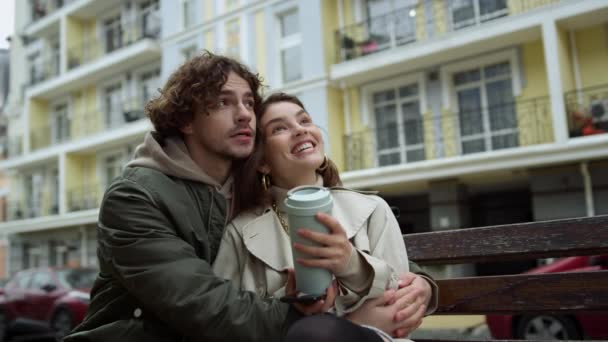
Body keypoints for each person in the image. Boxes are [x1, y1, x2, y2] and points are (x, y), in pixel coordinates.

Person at [64, 52, 433, 342]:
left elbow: (368, 249)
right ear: (186, 120)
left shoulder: (242, 192)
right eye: (224, 102)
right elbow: (204, 305)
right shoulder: (137, 196)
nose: (244, 114)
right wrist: (329, 320)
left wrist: (421, 285)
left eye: (247, 102)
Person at [213, 92, 438, 341]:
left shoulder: (373, 208)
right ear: (262, 162)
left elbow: (400, 312)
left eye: (305, 121)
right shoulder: (240, 232)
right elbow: (225, 319)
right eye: (279, 128)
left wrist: (351, 264)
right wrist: (289, 305)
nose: (300, 130)